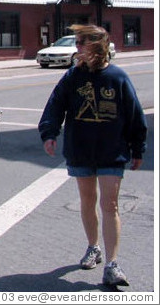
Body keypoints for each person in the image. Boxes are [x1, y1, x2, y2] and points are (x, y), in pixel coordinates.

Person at [38, 24, 146, 287]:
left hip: (112, 150)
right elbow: (55, 105)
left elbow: (134, 115)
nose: (76, 48)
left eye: (79, 43)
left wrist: (137, 148)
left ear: (95, 46)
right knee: (88, 200)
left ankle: (112, 264)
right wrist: (49, 133)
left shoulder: (118, 77)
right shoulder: (73, 77)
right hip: (81, 149)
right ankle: (93, 247)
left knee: (110, 205)